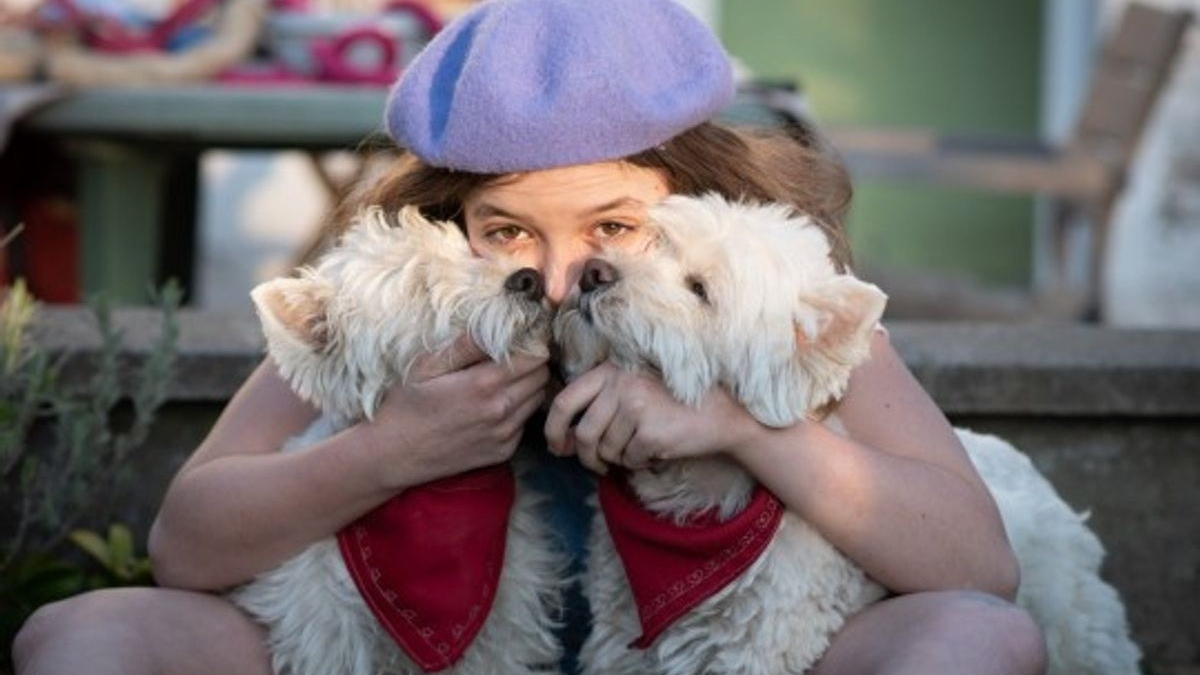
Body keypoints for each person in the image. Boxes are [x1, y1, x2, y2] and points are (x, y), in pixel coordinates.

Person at [12, 0, 1048, 674]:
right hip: (408, 648)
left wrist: (740, 423)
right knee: (85, 635)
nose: (558, 280)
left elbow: (976, 569)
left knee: (975, 641)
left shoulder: (777, 309)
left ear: (695, 193)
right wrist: (389, 448)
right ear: (451, 218)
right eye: (506, 231)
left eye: (613, 228)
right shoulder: (404, 314)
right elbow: (186, 547)